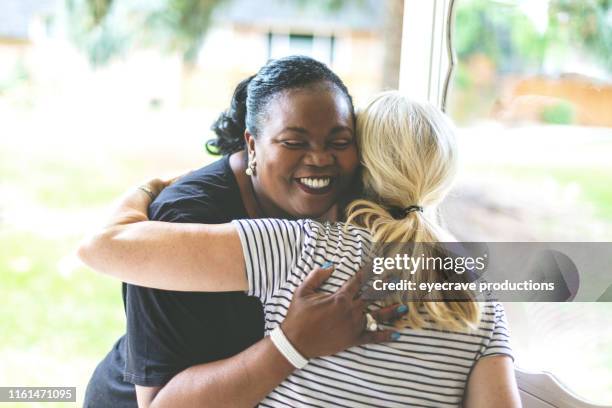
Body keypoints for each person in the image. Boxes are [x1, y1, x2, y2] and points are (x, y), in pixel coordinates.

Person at [80, 92, 522, 407]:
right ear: (443, 181)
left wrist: (149, 188)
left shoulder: (300, 247)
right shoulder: (478, 293)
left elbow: (105, 250)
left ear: (359, 165)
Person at [83, 56, 402, 408]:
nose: (320, 159)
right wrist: (291, 345)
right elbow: (159, 403)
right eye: (294, 142)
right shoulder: (184, 218)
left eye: (338, 142)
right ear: (251, 145)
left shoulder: (351, 203)